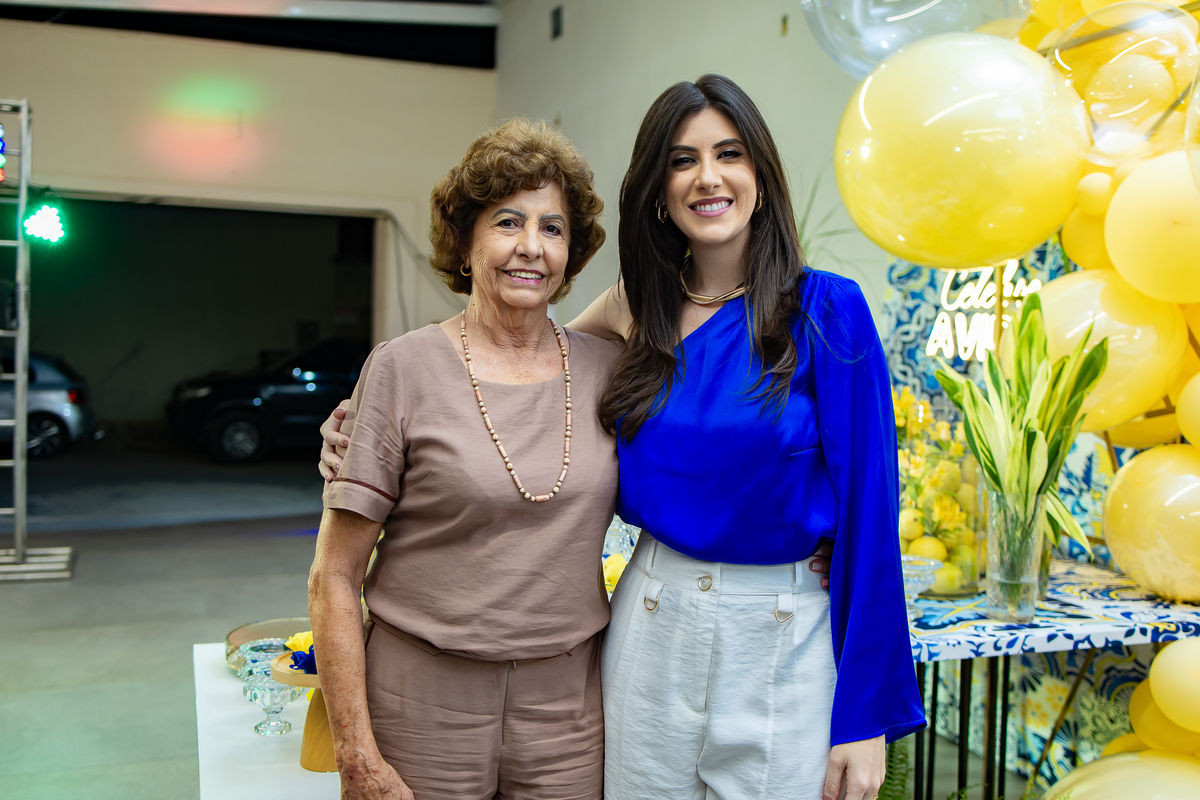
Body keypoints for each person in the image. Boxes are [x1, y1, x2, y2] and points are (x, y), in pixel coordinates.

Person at [321, 75, 918, 800]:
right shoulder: (639, 310)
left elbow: (873, 513)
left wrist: (866, 717)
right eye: (682, 160)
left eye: (729, 154)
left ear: (761, 174)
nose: (707, 177)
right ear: (659, 191)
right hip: (652, 619)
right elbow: (521, 367)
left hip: (779, 630)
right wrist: (364, 427)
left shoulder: (828, 310)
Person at [308, 118, 618, 800]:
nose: (530, 246)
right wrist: (355, 752)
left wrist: (815, 535)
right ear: (466, 240)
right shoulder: (403, 368)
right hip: (419, 704)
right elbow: (333, 576)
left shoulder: (607, 370)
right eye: (508, 222)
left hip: (569, 712)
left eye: (553, 228)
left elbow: (698, 467)